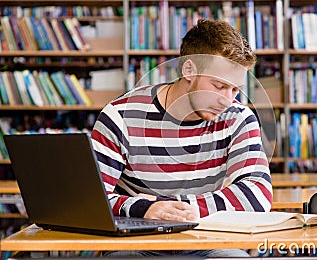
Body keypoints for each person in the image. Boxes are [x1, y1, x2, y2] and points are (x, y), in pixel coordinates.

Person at [91, 19, 273, 258]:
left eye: (235, 89)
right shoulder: (120, 115)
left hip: (208, 239)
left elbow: (257, 194)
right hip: (137, 241)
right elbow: (94, 202)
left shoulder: (239, 118)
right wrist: (146, 210)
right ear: (188, 70)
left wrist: (166, 207)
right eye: (218, 86)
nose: (228, 100)